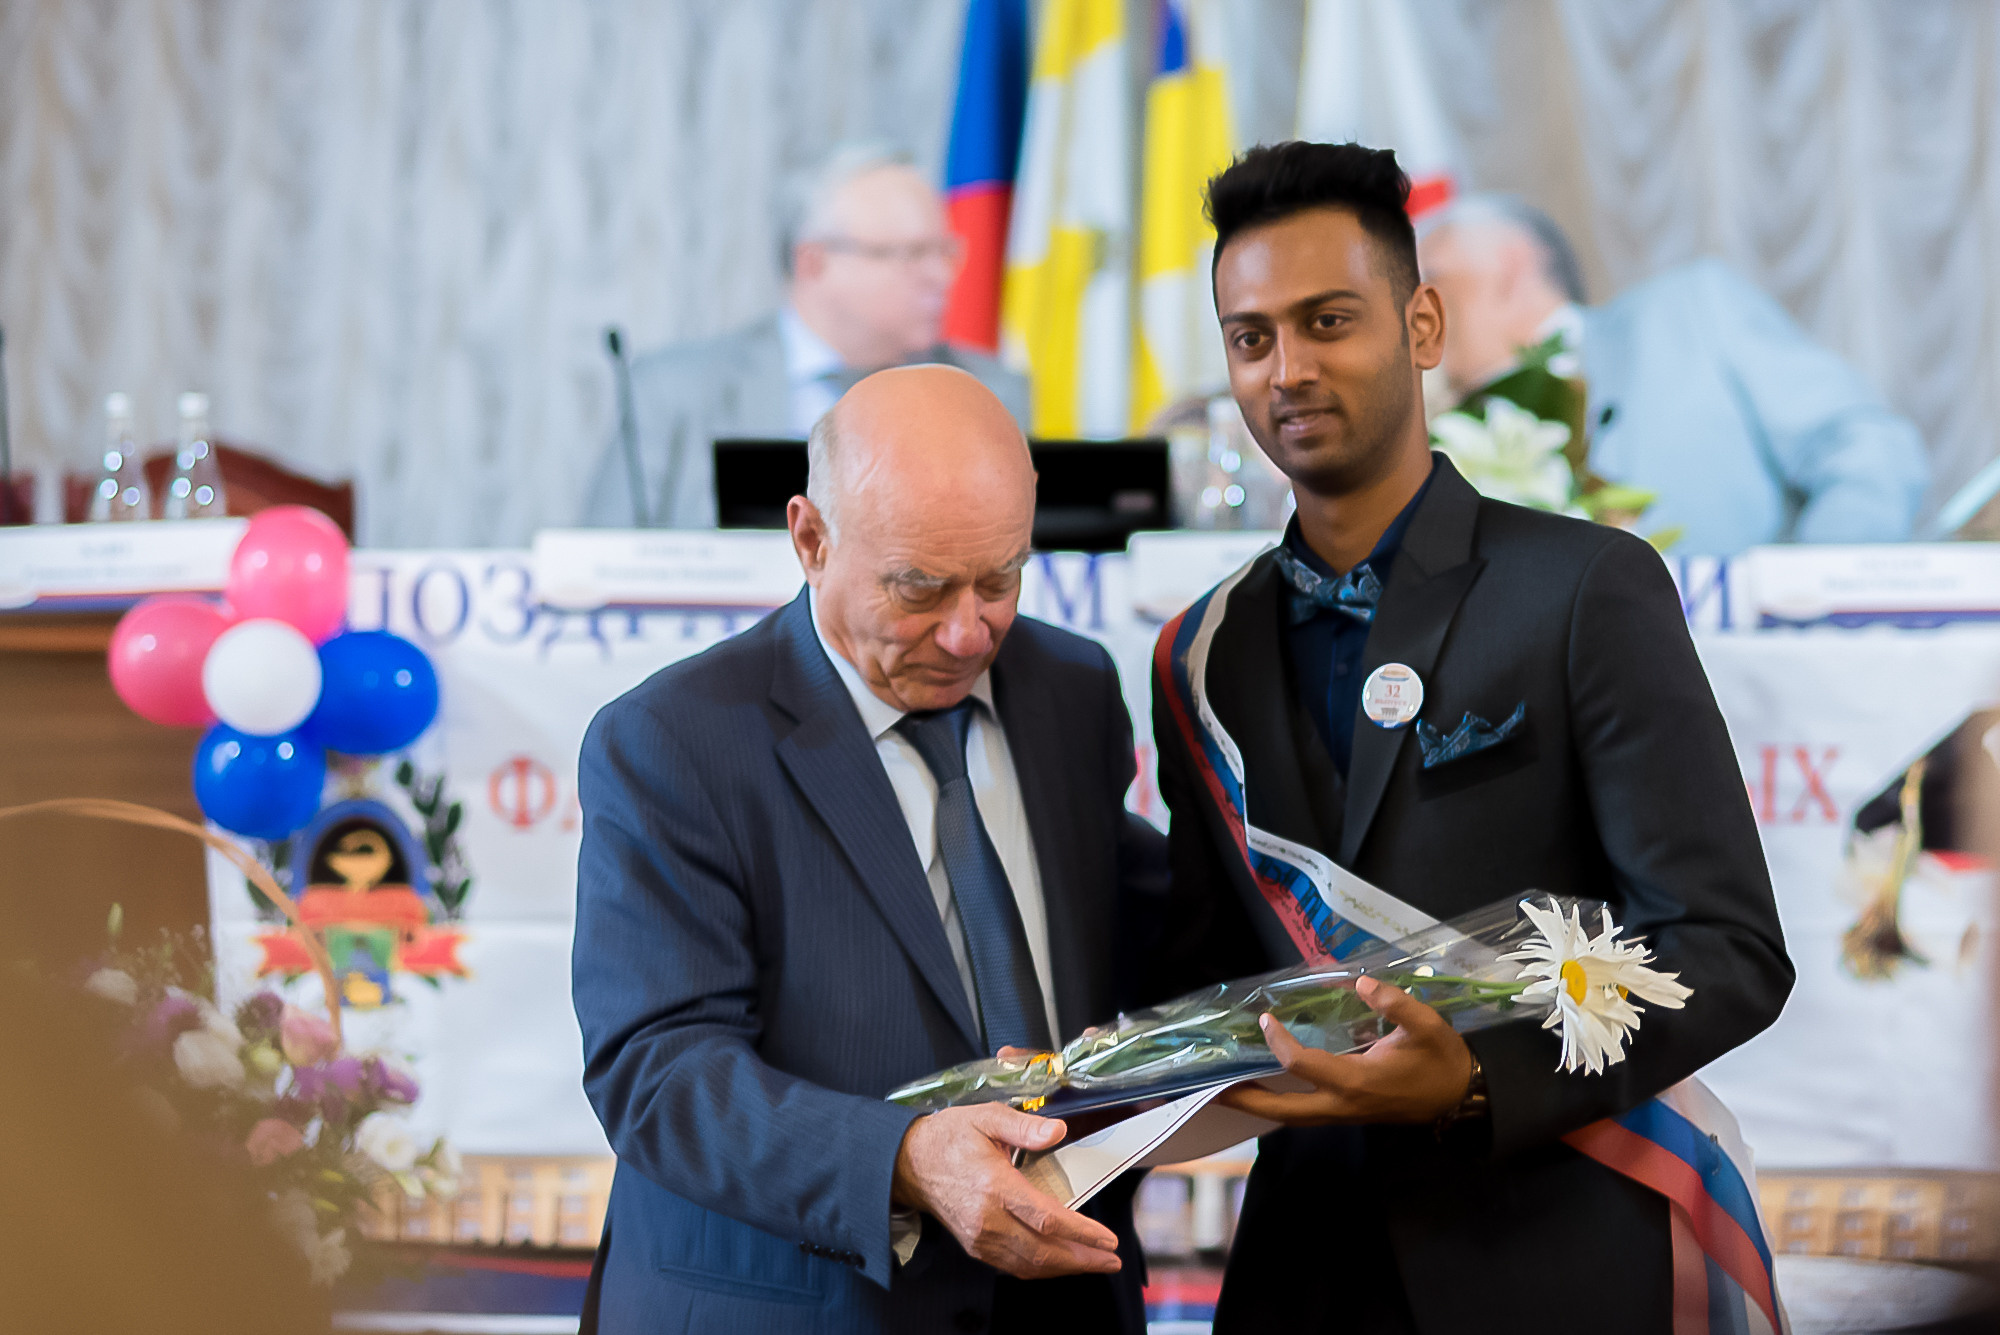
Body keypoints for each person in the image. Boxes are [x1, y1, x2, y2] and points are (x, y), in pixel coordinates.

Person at [1147, 142, 1795, 1333]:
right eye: (1250, 338)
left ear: (1423, 324)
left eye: (1327, 320)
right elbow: (1210, 976)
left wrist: (1478, 1077)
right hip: (1304, 1265)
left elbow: (1727, 947)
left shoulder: (1581, 586)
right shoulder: (1201, 652)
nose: (1285, 369)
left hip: (1558, 1241)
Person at [572, 365, 1159, 1333]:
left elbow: (1126, 924)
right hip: (800, 1306)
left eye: (1001, 578)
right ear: (810, 538)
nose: (969, 632)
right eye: (918, 588)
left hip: (1056, 1300)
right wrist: (902, 1157)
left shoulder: (1071, 686)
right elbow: (656, 1071)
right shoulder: (673, 741)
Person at [1418, 193, 1930, 555]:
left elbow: (1866, 447)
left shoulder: (1691, 311)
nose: (1411, 310)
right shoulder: (1435, 446)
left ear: (1510, 265)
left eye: (1430, 280)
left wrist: (1807, 605)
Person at [581, 144, 1031, 529]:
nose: (941, 276)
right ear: (813, 262)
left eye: (945, 251)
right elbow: (594, 573)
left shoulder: (990, 395)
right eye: (911, 254)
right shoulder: (673, 392)